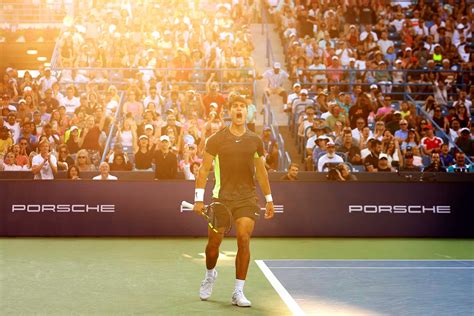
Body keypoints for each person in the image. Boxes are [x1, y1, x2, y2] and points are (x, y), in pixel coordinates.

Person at [193, 94, 274, 307]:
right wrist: (199, 199)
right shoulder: (216, 140)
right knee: (213, 244)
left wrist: (269, 199)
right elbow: (203, 170)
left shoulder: (255, 141)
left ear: (246, 112)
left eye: (242, 106)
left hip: (247, 198)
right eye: (235, 106)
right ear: (229, 112)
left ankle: (238, 291)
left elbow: (261, 172)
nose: (239, 110)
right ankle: (210, 275)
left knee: (244, 238)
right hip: (221, 199)